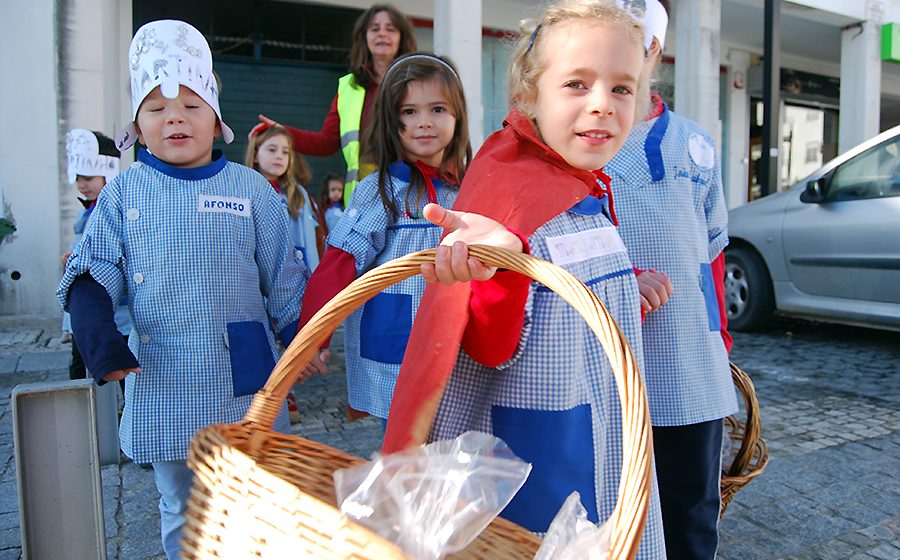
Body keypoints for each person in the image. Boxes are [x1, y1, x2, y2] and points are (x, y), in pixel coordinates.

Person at [382, 2, 667, 557]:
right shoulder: (508, 191)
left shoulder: (588, 188)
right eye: (577, 84)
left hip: (604, 439)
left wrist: (624, 285)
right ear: (531, 96)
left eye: (623, 88)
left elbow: (567, 280)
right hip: (540, 458)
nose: (602, 105)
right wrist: (495, 274)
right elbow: (487, 344)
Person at [56, 20, 308, 559]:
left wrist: (304, 340)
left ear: (217, 122)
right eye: (157, 109)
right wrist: (100, 340)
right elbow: (90, 271)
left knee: (249, 498)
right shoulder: (123, 193)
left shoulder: (251, 192)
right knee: (180, 503)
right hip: (163, 377)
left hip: (242, 382)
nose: (175, 117)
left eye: (192, 105)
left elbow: (284, 280)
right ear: (137, 129)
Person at [604, 1, 737, 557]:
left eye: (632, 40)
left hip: (689, 365)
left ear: (653, 51)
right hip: (607, 361)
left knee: (690, 513)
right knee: (614, 511)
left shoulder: (695, 144)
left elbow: (711, 258)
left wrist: (721, 343)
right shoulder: (575, 138)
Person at [297, 53, 471, 426]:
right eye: (408, 112)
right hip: (397, 345)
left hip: (455, 344)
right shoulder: (380, 192)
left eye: (437, 108)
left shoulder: (471, 192)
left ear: (458, 116)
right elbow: (338, 267)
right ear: (390, 122)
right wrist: (313, 338)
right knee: (404, 449)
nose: (423, 122)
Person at [253, 4, 417, 205]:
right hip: (363, 197)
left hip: (410, 191)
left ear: (402, 37)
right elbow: (327, 142)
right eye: (375, 29)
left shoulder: (416, 83)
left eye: (390, 29)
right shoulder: (347, 87)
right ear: (363, 37)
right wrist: (283, 132)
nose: (382, 34)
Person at [60, 129, 132, 383]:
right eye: (79, 177)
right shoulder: (87, 211)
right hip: (86, 307)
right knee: (79, 366)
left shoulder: (116, 210)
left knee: (120, 366)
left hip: (116, 312)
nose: (82, 184)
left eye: (89, 177)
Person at [246, 124, 322, 271]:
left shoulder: (298, 193)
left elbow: (310, 242)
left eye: (285, 152)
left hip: (295, 273)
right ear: (255, 155)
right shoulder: (245, 192)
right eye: (272, 150)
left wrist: (314, 276)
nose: (279, 156)